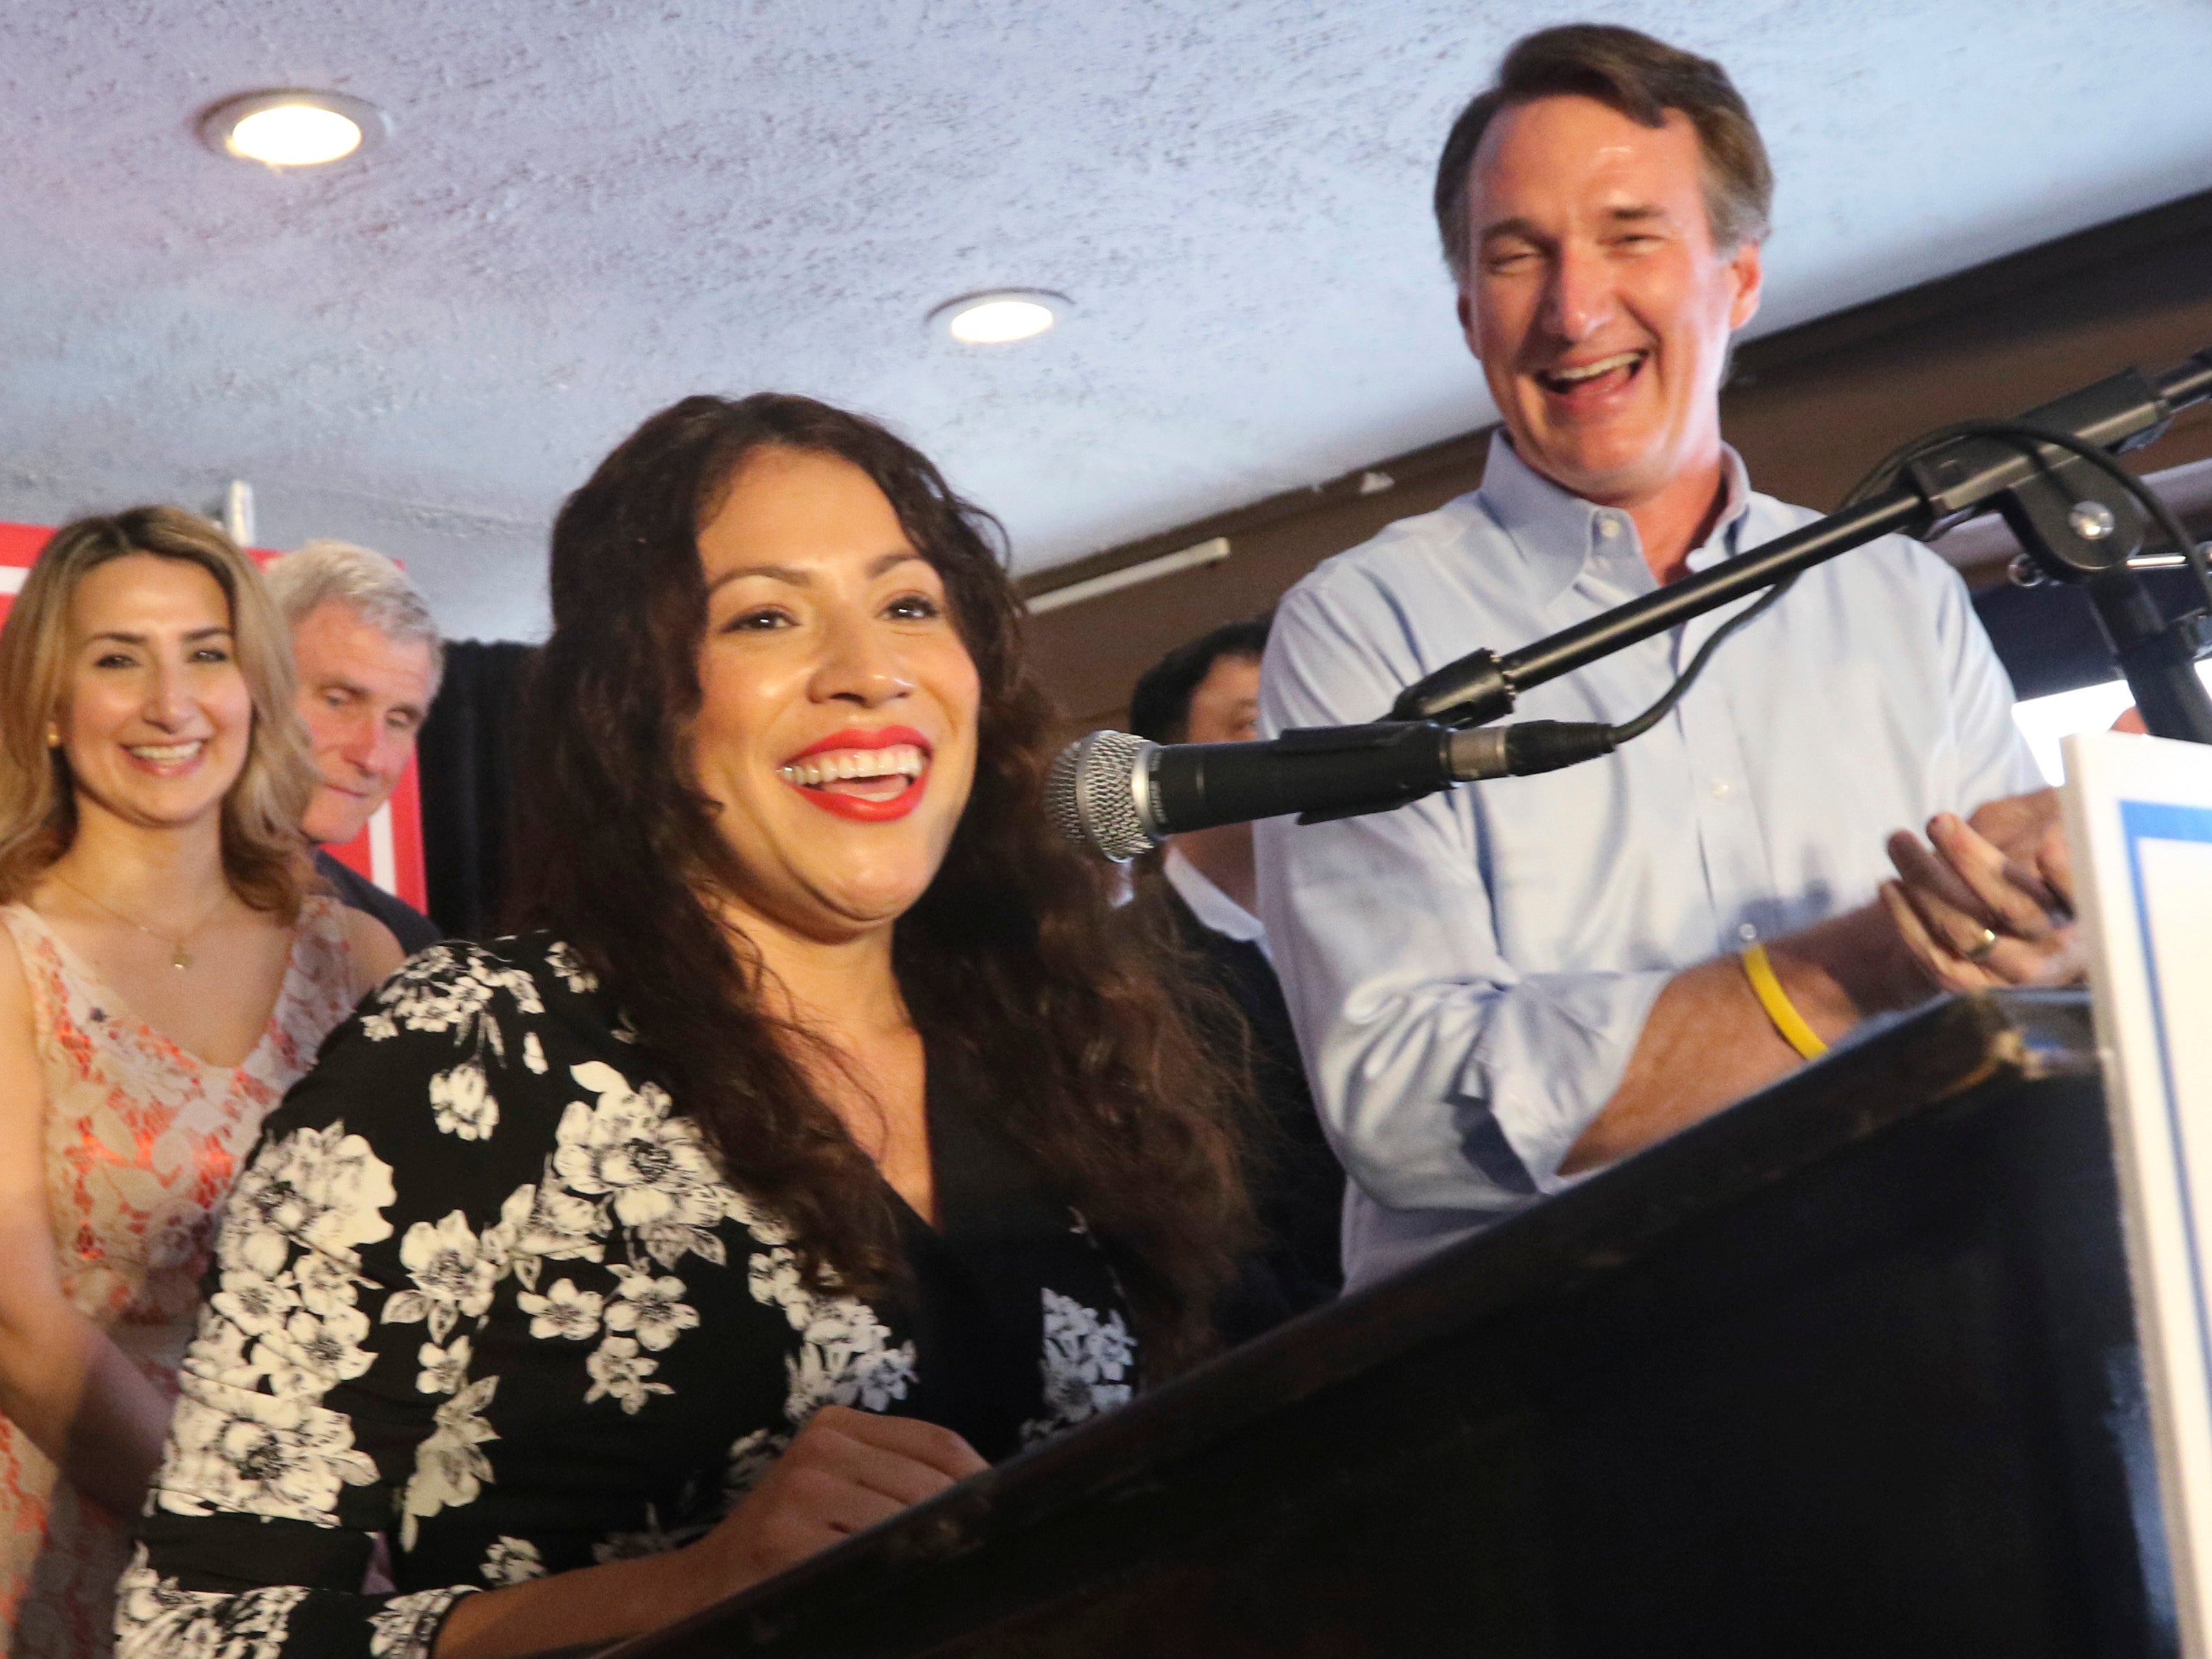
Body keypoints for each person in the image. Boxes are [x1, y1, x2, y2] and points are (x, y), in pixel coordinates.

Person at [118, 394, 1251, 1659]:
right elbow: (196, 1632)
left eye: (909, 605)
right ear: (644, 706)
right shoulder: (473, 1051)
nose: (867, 668)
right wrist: (680, 1590)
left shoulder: (1053, 1032)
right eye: (765, 616)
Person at [1256, 23, 2075, 1291]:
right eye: (1514, 255)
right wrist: (1853, 966)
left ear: (1736, 279)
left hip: (1922, 1321)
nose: (1570, 308)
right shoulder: (1361, 625)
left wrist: (2049, 918)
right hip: (1550, 1402)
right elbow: (1409, 1110)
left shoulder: (1898, 594)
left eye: (1629, 235)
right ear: (1468, 310)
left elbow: (2009, 997)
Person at [0, 508, 403, 1656]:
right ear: (48, 705)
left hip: (349, 1547)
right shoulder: (9, 963)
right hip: (81, 1548)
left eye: (207, 654)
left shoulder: (358, 960)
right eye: (118, 659)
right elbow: (20, 1326)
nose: (172, 704)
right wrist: (260, 1542)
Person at [1126, 616, 1343, 1329]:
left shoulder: (1388, 915)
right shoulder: (1120, 977)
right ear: (1169, 776)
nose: (1293, 749)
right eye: (1253, 724)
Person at [264, 540, 445, 954]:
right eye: (338, 701)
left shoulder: (408, 946)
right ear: (253, 682)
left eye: (399, 721)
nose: (371, 757)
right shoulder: (114, 907)